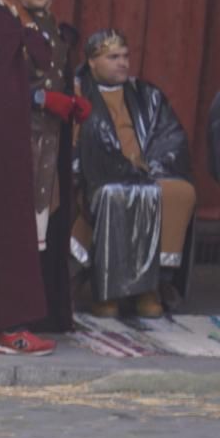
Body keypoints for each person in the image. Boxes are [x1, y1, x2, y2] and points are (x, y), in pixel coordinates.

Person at [0, 0, 85, 356]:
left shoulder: (49, 25)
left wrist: (69, 102)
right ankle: (2, 325)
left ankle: (30, 315)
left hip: (46, 147)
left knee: (37, 234)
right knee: (8, 232)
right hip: (8, 150)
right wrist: (43, 99)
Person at [70, 28, 198, 320]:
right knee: (114, 194)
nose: (123, 63)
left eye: (126, 56)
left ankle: (149, 288)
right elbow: (75, 146)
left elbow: (171, 137)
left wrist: (150, 169)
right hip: (100, 175)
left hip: (146, 170)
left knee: (178, 191)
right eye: (113, 57)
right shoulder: (79, 94)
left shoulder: (147, 94)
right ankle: (108, 291)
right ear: (92, 61)